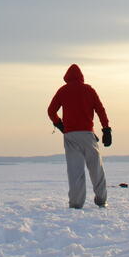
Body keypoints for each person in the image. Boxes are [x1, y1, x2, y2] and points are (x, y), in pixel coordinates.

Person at [47, 64, 112, 209]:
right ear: (81, 76)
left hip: (70, 136)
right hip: (88, 135)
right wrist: (106, 129)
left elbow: (51, 111)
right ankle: (101, 199)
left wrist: (60, 125)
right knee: (96, 168)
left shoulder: (63, 91)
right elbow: (100, 110)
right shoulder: (89, 90)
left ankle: (76, 203)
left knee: (75, 170)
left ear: (67, 77)